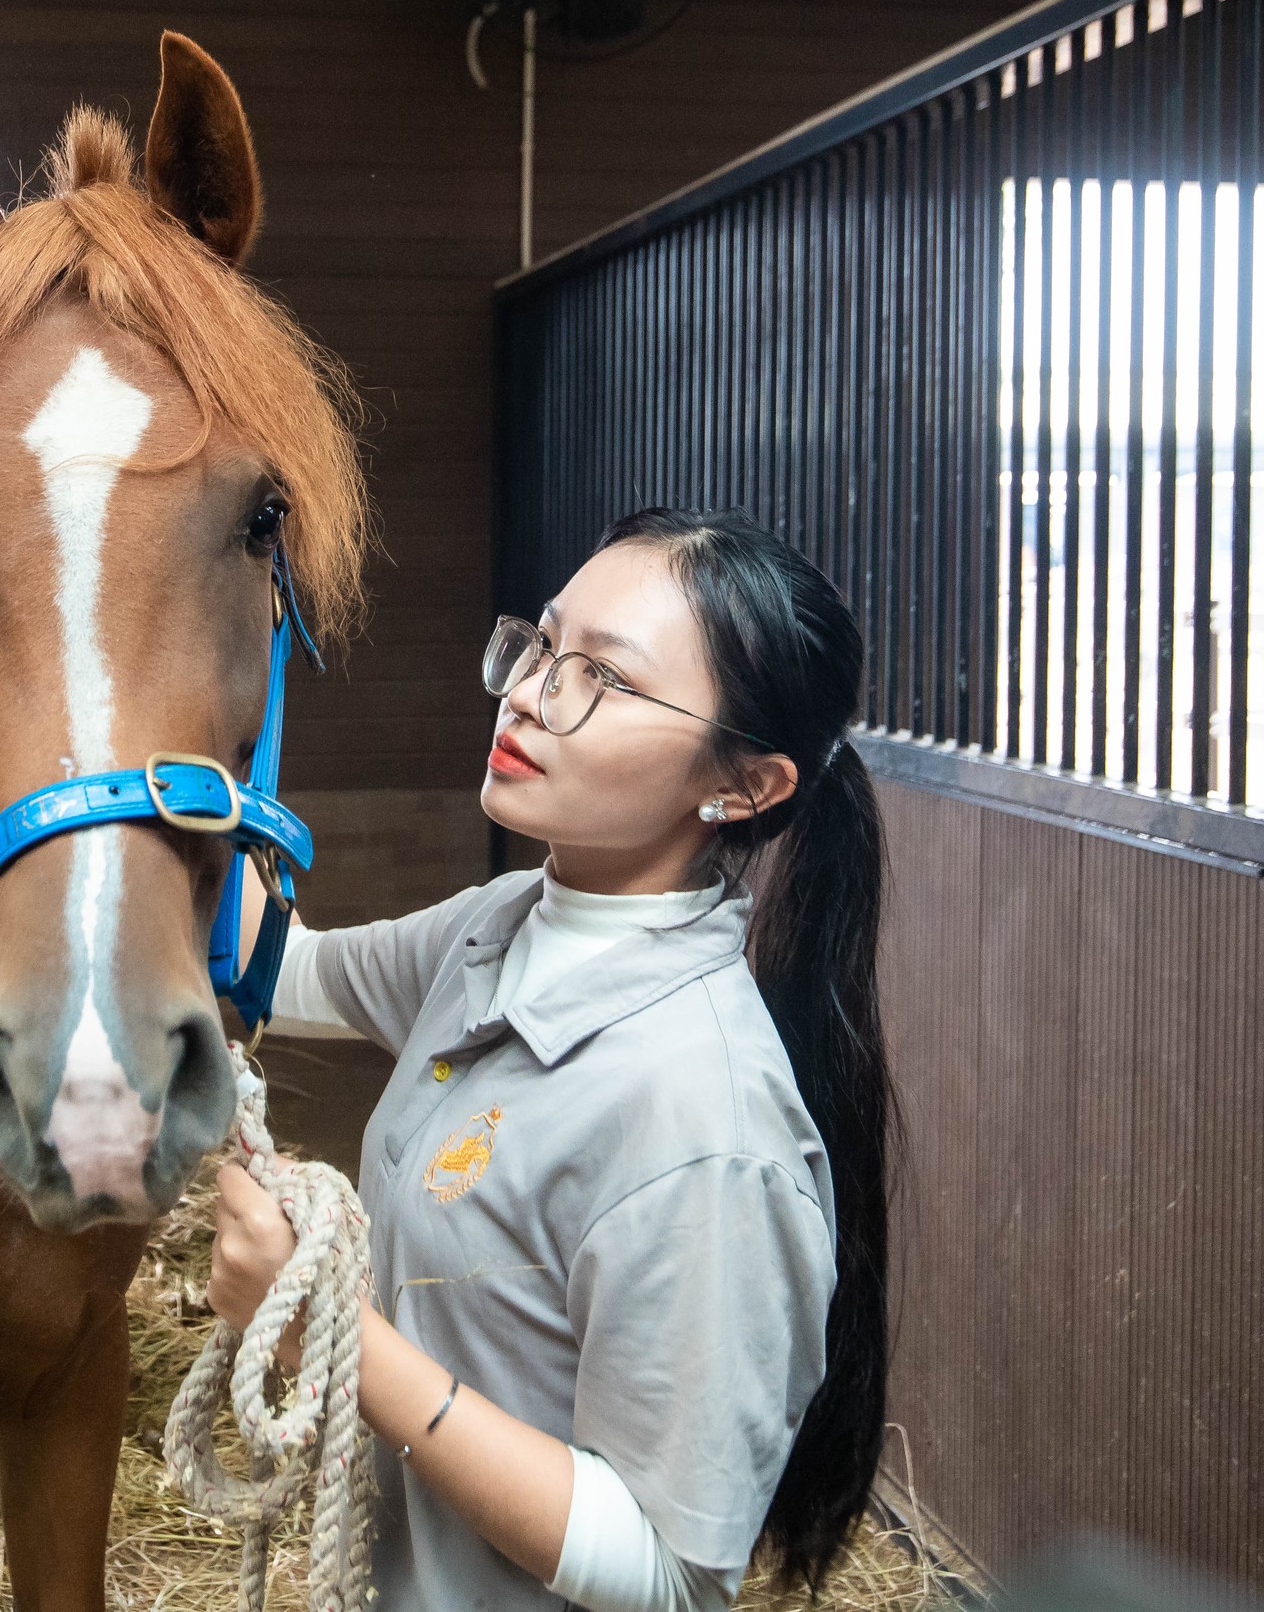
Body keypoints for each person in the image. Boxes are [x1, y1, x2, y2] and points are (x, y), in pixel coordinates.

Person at [213, 507, 894, 1612]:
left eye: (604, 679)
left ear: (743, 786)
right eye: (541, 643)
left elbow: (669, 1574)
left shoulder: (706, 1129)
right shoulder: (499, 925)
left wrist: (334, 1340)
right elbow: (283, 969)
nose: (528, 693)